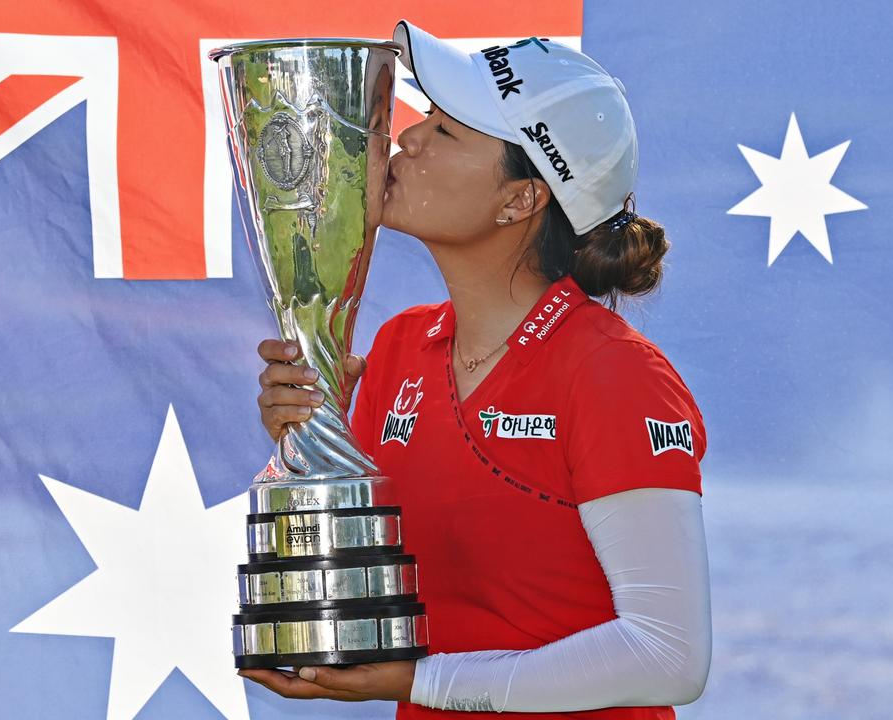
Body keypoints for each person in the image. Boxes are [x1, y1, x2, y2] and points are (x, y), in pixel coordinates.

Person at [240, 19, 713, 718]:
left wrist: (419, 683)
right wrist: (306, 450)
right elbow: (343, 608)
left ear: (521, 199)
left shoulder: (615, 373)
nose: (406, 138)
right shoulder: (399, 348)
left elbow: (670, 656)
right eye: (426, 115)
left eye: (448, 131)